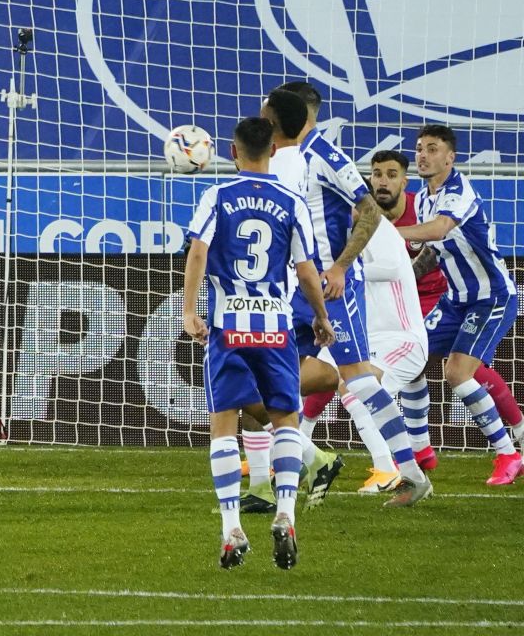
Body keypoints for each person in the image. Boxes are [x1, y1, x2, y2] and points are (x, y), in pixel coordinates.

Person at [184, 116, 334, 570]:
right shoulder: (291, 201)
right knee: (286, 419)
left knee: (224, 422)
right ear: (272, 150)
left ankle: (232, 525)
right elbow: (307, 271)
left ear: (232, 152)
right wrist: (322, 318)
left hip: (229, 326)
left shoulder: (218, 195)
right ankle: (286, 514)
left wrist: (190, 310)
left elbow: (197, 250)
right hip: (276, 327)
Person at [276, 81, 431, 508]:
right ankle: (307, 460)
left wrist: (341, 266)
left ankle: (409, 471)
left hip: (333, 287)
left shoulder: (325, 155)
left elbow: (368, 208)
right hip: (299, 286)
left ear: (296, 115)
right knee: (269, 367)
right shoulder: (288, 160)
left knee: (360, 378)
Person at [370, 148, 524, 467]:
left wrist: (389, 236)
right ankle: (421, 449)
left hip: (478, 297)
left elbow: (439, 231)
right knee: (414, 359)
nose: (384, 181)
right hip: (442, 299)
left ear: (403, 179)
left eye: (392, 174)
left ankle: (513, 443)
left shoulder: (443, 198)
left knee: (464, 371)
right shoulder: (407, 202)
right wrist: (405, 276)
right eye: (378, 174)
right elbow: (431, 253)